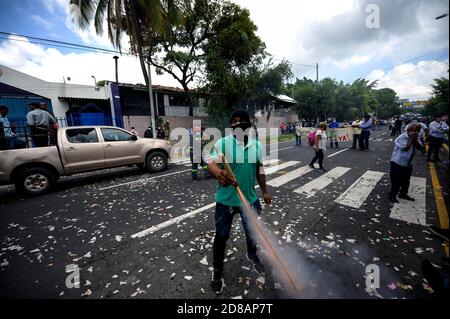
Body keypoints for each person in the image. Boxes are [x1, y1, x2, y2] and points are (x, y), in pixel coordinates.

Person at [207, 110, 272, 295]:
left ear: (249, 125)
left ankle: (252, 254)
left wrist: (265, 191)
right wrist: (218, 173)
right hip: (225, 201)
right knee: (221, 236)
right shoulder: (223, 144)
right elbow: (211, 163)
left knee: (252, 232)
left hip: (249, 200)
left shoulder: (257, 146)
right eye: (233, 121)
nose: (237, 124)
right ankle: (217, 271)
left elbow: (259, 170)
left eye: (241, 121)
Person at [388, 123, 423, 203]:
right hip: (397, 163)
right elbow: (405, 149)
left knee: (406, 180)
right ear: (409, 130)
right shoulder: (401, 138)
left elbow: (420, 148)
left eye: (418, 131)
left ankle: (403, 194)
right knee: (396, 181)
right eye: (415, 131)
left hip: (408, 163)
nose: (416, 132)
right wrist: (411, 139)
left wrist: (415, 140)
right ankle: (392, 195)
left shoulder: (415, 137)